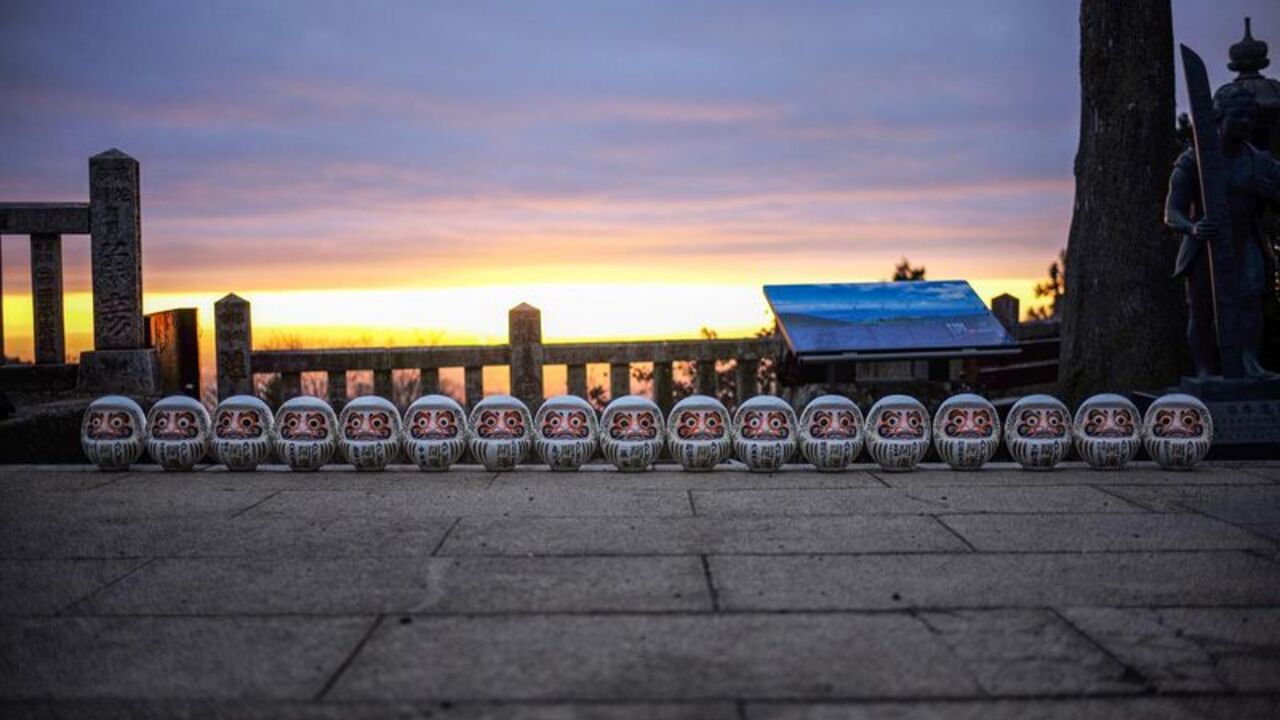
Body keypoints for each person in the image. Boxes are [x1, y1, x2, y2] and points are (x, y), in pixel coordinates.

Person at [1165, 84, 1280, 378]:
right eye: (1239, 116)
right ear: (1219, 117)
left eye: (1250, 118)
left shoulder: (1260, 162)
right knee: (1202, 308)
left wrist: (1269, 193)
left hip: (1246, 240)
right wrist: (1192, 228)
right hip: (1207, 243)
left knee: (1251, 299)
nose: (1245, 124)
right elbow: (1171, 212)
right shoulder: (1194, 161)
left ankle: (1249, 360)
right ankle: (1204, 367)